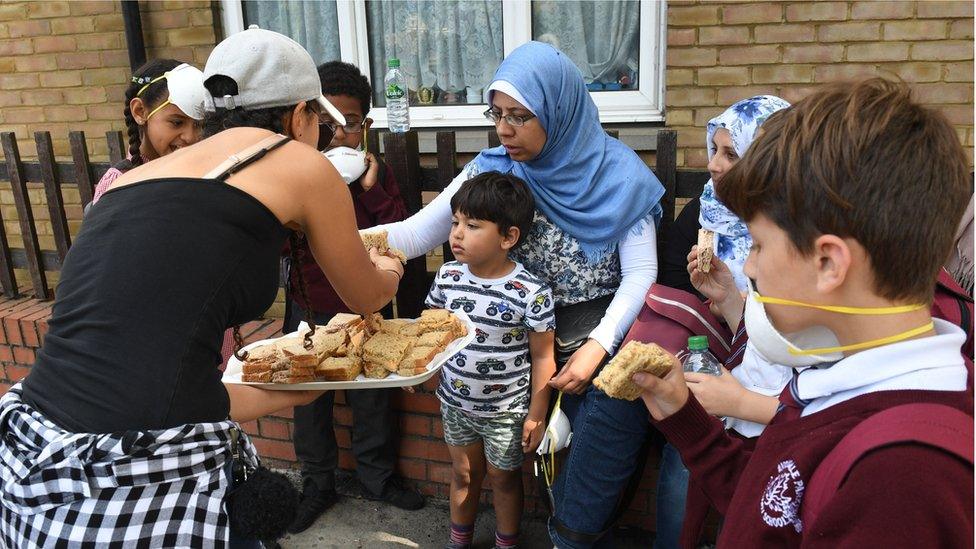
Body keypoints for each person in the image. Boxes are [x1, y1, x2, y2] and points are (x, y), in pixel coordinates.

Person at [0, 27, 404, 547]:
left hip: (38, 465)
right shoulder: (302, 162)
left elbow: (166, 389)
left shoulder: (133, 180)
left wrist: (320, 380)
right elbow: (366, 296)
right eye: (319, 123)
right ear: (300, 114)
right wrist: (389, 262)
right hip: (143, 488)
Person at [634, 78, 973, 547]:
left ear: (829, 263)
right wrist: (686, 420)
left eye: (758, 244)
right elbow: (775, 511)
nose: (748, 266)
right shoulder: (843, 380)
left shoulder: (903, 474)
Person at [372, 41, 665, 547]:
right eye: (497, 114)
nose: (504, 129)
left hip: (598, 337)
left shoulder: (621, 177)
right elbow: (419, 233)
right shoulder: (497, 167)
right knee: (540, 466)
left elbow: (641, 275)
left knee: (586, 468)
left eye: (520, 117)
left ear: (559, 109)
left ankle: (571, 537)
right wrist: (329, 231)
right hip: (513, 350)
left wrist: (597, 347)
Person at [285, 60, 419, 535]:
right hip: (308, 304)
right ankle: (317, 483)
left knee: (373, 398)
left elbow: (401, 229)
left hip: (365, 304)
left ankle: (377, 478)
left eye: (352, 123)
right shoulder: (296, 176)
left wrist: (371, 187)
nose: (340, 134)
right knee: (309, 398)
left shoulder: (374, 176)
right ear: (310, 121)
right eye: (328, 123)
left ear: (367, 125)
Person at [652, 95, 790, 549]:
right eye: (715, 149)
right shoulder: (716, 210)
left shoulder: (801, 243)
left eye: (731, 153)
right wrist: (729, 299)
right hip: (731, 391)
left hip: (767, 429)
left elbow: (830, 401)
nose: (713, 166)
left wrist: (740, 400)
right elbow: (764, 332)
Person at [427, 171, 556, 549]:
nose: (457, 234)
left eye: (472, 225)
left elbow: (543, 356)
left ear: (508, 237)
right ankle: (459, 541)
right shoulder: (448, 278)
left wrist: (536, 413)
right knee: (464, 473)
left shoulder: (531, 292)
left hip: (507, 412)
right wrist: (422, 369)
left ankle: (506, 543)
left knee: (504, 479)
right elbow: (431, 333)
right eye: (455, 223)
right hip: (455, 402)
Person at [91, 59, 206, 204]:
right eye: (177, 123)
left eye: (199, 124)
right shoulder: (117, 185)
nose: (191, 137)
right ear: (140, 111)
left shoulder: (207, 172)